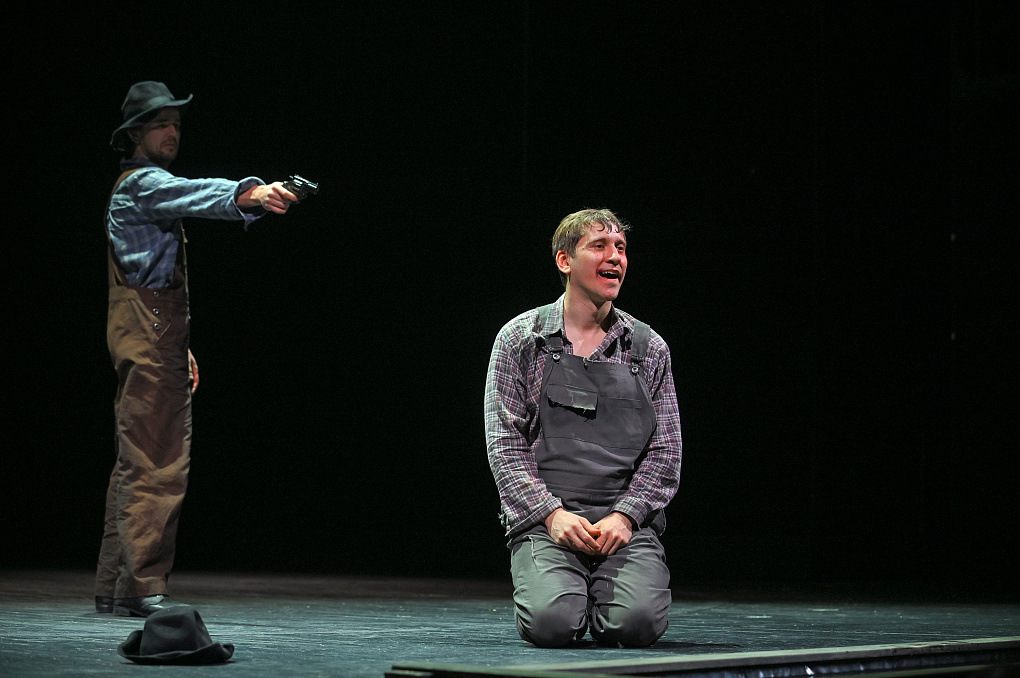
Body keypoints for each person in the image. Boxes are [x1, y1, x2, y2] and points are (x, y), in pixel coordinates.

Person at [95, 81, 298, 617]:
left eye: (176, 125)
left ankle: (117, 584)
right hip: (148, 335)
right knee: (157, 458)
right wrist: (251, 194)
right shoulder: (143, 184)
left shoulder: (142, 188)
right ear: (135, 134)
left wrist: (177, 346)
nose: (172, 132)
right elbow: (195, 193)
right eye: (161, 124)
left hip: (153, 335)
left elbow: (149, 278)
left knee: (135, 456)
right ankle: (144, 586)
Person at [484, 208, 682, 647]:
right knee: (551, 624)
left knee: (636, 625)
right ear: (565, 260)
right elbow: (505, 445)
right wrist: (550, 515)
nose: (615, 257)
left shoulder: (648, 348)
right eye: (599, 246)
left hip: (623, 526)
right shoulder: (522, 339)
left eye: (621, 248)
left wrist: (626, 516)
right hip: (547, 523)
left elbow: (666, 452)